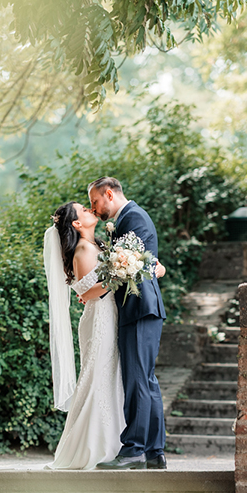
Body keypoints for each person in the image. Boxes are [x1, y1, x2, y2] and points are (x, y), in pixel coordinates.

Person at [43, 201, 166, 470]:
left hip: (113, 316)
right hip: (99, 319)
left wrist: (143, 267)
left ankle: (120, 443)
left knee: (115, 378)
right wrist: (126, 271)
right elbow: (87, 292)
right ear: (76, 223)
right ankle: (92, 445)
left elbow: (114, 274)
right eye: (84, 210)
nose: (90, 210)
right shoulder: (83, 248)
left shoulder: (99, 244)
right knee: (97, 375)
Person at [87, 176, 168, 470]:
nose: (94, 209)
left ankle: (133, 449)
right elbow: (149, 265)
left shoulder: (133, 218)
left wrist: (94, 290)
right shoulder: (129, 220)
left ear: (109, 194)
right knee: (146, 380)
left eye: (95, 202)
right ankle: (154, 451)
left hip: (139, 308)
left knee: (136, 379)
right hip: (142, 309)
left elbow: (128, 268)